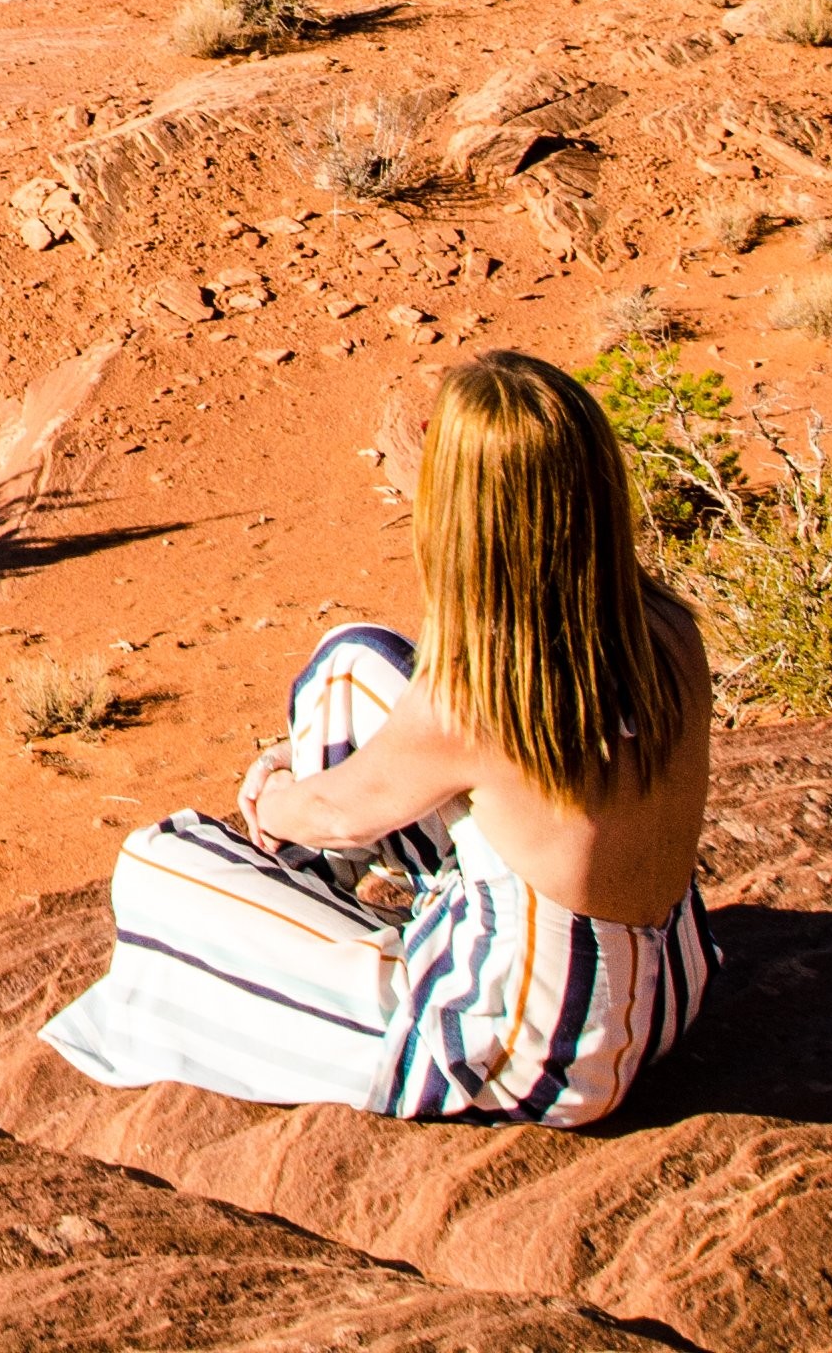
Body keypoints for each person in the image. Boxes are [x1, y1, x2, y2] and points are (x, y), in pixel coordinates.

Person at [40, 350, 717, 1127]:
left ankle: (311, 911)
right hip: (667, 988)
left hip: (535, 1048)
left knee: (156, 866)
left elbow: (336, 817)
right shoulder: (664, 629)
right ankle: (326, 908)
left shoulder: (474, 700)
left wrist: (273, 792)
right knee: (354, 662)